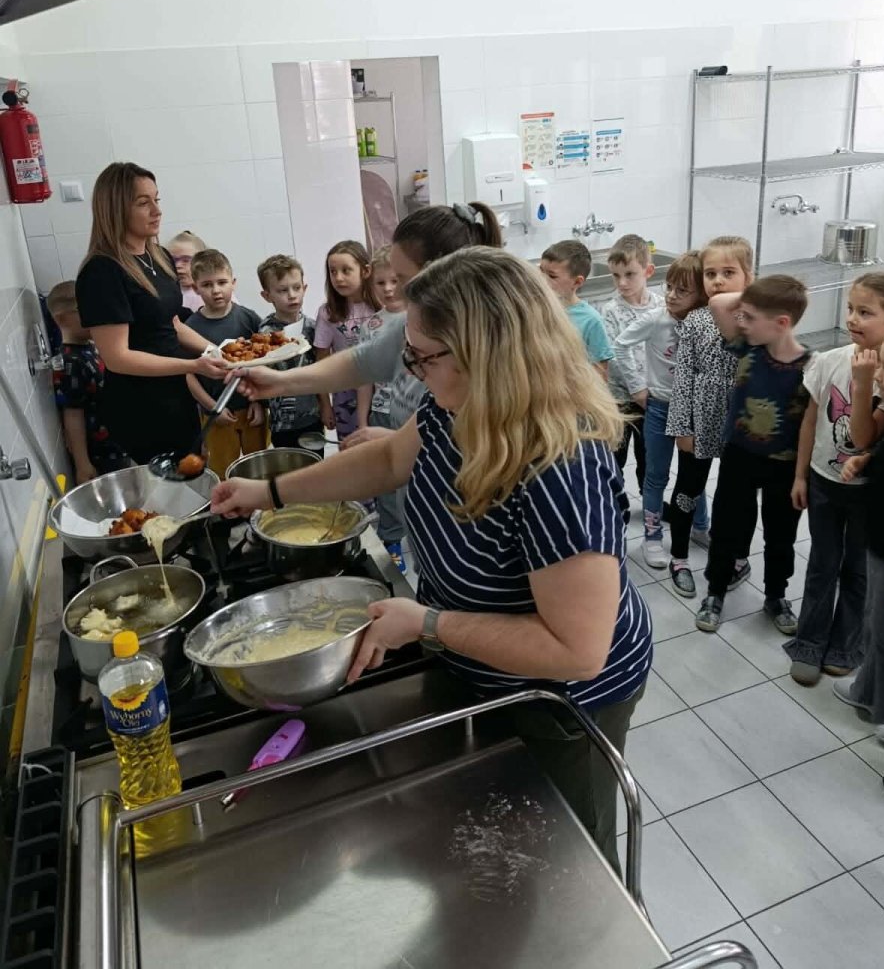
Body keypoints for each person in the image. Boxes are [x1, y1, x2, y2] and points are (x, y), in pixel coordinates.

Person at [212, 247, 652, 873]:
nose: (413, 370)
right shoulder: (457, 407)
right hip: (486, 667)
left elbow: (577, 650)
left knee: (570, 860)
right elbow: (392, 459)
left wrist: (428, 624)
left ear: (485, 355)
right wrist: (268, 493)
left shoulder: (560, 466)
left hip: (565, 702)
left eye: (424, 357)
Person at [236, 202, 504, 445]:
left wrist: (396, 443)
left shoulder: (491, 362)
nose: (393, 291)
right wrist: (280, 382)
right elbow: (360, 362)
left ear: (439, 276)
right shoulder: (410, 326)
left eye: (401, 279)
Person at [786, 274, 884, 685]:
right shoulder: (829, 360)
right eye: (851, 309)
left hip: (867, 495)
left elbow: (864, 438)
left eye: (865, 312)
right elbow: (811, 420)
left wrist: (865, 381)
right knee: (821, 564)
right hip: (824, 482)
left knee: (857, 570)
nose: (852, 318)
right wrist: (800, 475)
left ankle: (845, 645)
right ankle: (808, 642)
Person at [76, 163, 228, 465]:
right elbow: (118, 357)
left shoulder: (158, 257)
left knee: (193, 473)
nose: (157, 211)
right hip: (140, 406)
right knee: (164, 487)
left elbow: (171, 323)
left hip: (176, 396)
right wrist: (193, 365)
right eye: (143, 203)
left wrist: (220, 352)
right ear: (116, 209)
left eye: (156, 200)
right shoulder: (102, 272)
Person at [696, 276, 812, 635]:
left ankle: (776, 595)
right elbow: (718, 303)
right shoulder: (747, 347)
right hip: (740, 456)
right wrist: (757, 296)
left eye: (749, 317)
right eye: (741, 315)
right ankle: (715, 592)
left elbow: (809, 428)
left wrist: (801, 476)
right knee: (727, 527)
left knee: (781, 535)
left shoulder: (810, 366)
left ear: (781, 323)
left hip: (784, 465)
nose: (740, 321)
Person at [665, 236, 755, 598]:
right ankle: (679, 558)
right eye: (711, 273)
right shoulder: (695, 321)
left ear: (748, 276)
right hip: (699, 417)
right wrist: (682, 427)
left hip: (743, 424)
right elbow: (684, 376)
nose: (717, 280)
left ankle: (738, 558)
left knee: (740, 496)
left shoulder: (757, 319)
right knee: (688, 488)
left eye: (728, 273)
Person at [614, 252, 708, 572]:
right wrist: (637, 386)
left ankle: (700, 526)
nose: (671, 295)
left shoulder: (706, 323)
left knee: (693, 475)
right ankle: (652, 537)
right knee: (655, 476)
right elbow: (620, 344)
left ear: (702, 295)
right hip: (659, 408)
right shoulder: (657, 319)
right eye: (669, 287)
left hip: (694, 412)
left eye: (682, 290)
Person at [836, 325, 884, 747]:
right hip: (883, 536)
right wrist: (868, 462)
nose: (879, 375)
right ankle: (867, 689)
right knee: (875, 621)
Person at [184, 249, 266, 478]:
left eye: (222, 282)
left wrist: (259, 402)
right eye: (207, 284)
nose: (216, 290)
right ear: (195, 288)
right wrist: (213, 408)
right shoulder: (190, 329)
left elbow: (263, 363)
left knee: (259, 469)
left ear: (233, 283)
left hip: (251, 411)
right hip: (215, 416)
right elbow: (189, 375)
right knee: (222, 473)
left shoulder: (249, 318)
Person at [48, 281, 128, 484]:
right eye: (87, 311)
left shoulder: (89, 347)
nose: (97, 317)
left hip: (117, 445)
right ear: (62, 319)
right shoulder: (70, 362)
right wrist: (82, 463)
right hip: (102, 455)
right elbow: (73, 415)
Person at [601, 235, 662, 495]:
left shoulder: (661, 306)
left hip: (654, 397)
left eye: (629, 274)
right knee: (615, 456)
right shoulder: (611, 310)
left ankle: (651, 505)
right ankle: (614, 504)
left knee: (649, 456)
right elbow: (612, 355)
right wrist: (637, 389)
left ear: (648, 271)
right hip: (621, 400)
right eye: (616, 276)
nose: (622, 283)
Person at [353, 246, 406, 543]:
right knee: (386, 481)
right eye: (380, 283)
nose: (388, 289)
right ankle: (392, 539)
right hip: (382, 413)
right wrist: (363, 420)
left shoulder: (421, 318)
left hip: (414, 413)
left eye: (395, 281)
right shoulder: (371, 326)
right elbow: (364, 379)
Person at [313, 240, 378, 441]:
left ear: (365, 271)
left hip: (382, 390)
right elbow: (322, 362)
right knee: (352, 445)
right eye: (333, 272)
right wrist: (325, 404)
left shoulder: (380, 306)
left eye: (346, 270)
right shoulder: (328, 313)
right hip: (345, 392)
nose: (338, 278)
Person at [257, 254, 322, 450]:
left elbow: (321, 369)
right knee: (288, 464)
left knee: (316, 463)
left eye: (297, 287)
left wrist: (326, 407)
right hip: (282, 423)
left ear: (305, 288)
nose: (292, 295)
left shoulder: (313, 327)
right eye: (283, 290)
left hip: (313, 416)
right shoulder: (266, 333)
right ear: (267, 296)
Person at [538, 240, 613, 376]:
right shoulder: (535, 310)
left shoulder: (591, 320)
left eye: (552, 276)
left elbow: (600, 371)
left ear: (577, 282)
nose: (542, 280)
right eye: (541, 271)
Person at [166, 230, 206, 314]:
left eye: (186, 260)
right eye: (173, 260)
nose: (178, 265)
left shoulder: (210, 293)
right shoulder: (166, 294)